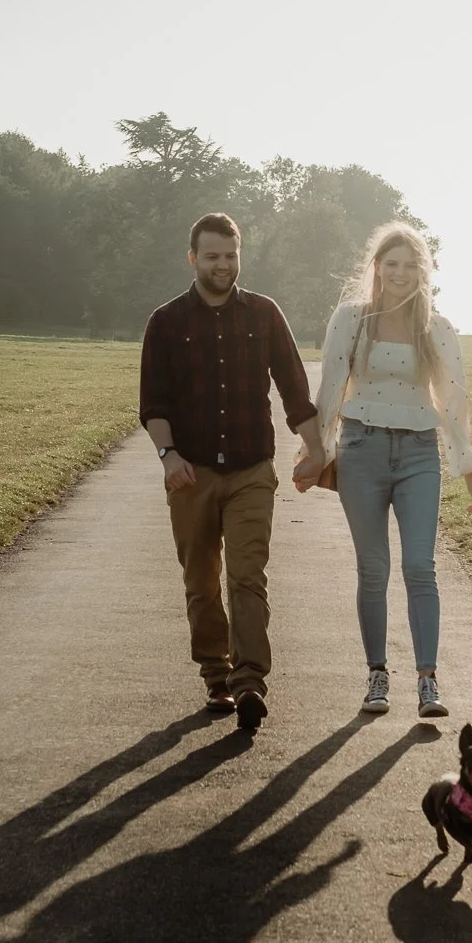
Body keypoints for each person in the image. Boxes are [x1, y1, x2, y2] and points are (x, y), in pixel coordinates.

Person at [140, 212, 323, 733]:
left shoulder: (264, 314)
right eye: (213, 255)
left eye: (231, 255)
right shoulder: (167, 321)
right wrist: (168, 456)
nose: (223, 265)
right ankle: (215, 675)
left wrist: (315, 453)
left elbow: (293, 390)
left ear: (240, 255)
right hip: (191, 474)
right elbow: (154, 402)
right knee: (201, 582)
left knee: (246, 576)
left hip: (251, 472)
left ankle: (249, 683)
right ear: (193, 257)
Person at [297, 222, 472, 718]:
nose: (400, 274)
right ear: (377, 267)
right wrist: (317, 453)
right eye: (391, 264)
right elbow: (331, 388)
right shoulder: (351, 319)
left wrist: (469, 471)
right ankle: (377, 674)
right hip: (362, 451)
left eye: (410, 265)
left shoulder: (436, 328)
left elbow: (453, 402)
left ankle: (428, 680)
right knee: (373, 568)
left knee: (420, 565)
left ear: (423, 272)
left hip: (420, 454)